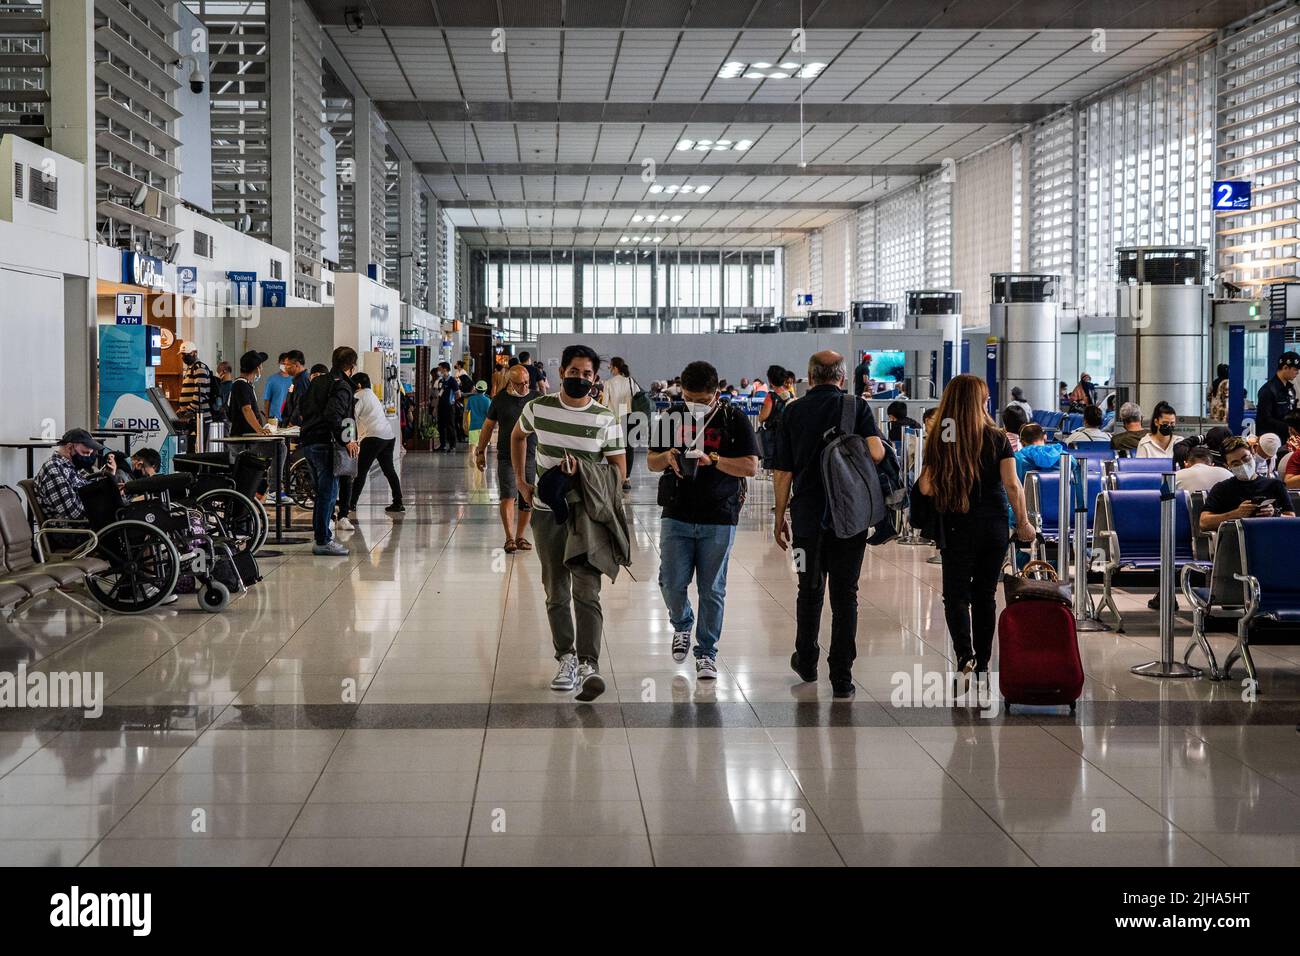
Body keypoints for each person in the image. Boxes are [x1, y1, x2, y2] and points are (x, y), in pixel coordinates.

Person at [513, 344, 626, 702]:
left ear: (596, 378)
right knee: (556, 588)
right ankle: (565, 657)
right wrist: (521, 481)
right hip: (547, 512)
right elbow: (517, 436)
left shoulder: (604, 418)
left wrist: (585, 472)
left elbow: (619, 472)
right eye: (574, 372)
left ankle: (589, 664)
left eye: (587, 374)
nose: (581, 378)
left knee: (587, 589)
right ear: (561, 372)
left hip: (587, 515)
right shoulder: (538, 408)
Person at [772, 350, 886, 699]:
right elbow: (877, 453)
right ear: (841, 375)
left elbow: (783, 471)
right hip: (848, 519)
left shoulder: (792, 412)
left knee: (808, 588)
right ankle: (842, 676)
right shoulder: (856, 407)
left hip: (806, 520)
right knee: (845, 594)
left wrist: (780, 517)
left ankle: (806, 659)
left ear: (810, 375)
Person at [918, 374, 1034, 685]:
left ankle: (964, 657)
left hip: (957, 523)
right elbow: (1012, 484)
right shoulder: (997, 437)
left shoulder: (942, 437)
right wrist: (1022, 522)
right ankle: (983, 663)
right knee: (985, 595)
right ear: (981, 402)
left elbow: (926, 488)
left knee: (955, 596)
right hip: (993, 524)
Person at [648, 361, 758, 680]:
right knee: (671, 581)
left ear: (716, 392)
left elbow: (751, 466)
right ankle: (682, 623)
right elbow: (652, 461)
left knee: (712, 588)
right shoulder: (671, 416)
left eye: (700, 398)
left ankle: (706, 652)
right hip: (677, 511)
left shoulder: (733, 418)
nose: (692, 402)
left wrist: (717, 460)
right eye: (688, 396)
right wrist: (667, 457)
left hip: (719, 515)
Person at [299, 346, 360, 556]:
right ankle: (323, 540)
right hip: (325, 445)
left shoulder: (317, 382)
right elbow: (334, 414)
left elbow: (303, 408)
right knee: (328, 493)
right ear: (351, 367)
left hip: (308, 442)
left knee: (321, 494)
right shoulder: (342, 386)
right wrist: (347, 441)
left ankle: (321, 535)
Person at [477, 363, 538, 553]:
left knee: (527, 496)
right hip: (506, 455)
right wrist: (481, 451)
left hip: (530, 455)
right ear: (510, 382)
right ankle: (509, 537)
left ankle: (521, 536)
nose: (524, 387)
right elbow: (488, 427)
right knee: (508, 495)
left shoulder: (536, 399)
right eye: (520, 384)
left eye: (527, 382)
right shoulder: (500, 399)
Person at [1199, 436, 1294, 533]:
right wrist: (1235, 514)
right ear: (1227, 466)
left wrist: (1274, 514)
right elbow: (1204, 523)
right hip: (1235, 540)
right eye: (1235, 464)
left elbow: (1292, 520)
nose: (1243, 465)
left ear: (1253, 454)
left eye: (1246, 459)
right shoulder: (1222, 489)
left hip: (1270, 537)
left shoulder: (1275, 485)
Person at [346, 372, 404, 516]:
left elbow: (350, 418)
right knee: (389, 470)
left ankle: (351, 503)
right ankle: (398, 502)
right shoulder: (371, 394)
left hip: (373, 437)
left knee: (361, 471)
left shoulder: (358, 396)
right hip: (388, 436)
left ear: (358, 385)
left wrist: (348, 439)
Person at [34, 428, 118, 521]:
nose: (88, 457)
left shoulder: (72, 467)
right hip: (74, 530)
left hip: (89, 524)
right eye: (85, 453)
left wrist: (110, 478)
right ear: (70, 447)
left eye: (90, 453)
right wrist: (108, 507)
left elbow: (90, 487)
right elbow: (74, 513)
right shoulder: (54, 469)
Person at [602, 357, 637, 491]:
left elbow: (605, 403)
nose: (610, 369)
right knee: (629, 448)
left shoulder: (609, 383)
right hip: (629, 417)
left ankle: (617, 478)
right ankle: (627, 479)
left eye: (610, 367)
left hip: (614, 419)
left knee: (614, 449)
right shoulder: (630, 381)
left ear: (615, 367)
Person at [1256, 351, 1299, 446]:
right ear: (1285, 368)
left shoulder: (1291, 389)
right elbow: (1265, 419)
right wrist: (1288, 427)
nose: (1297, 372)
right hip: (1271, 441)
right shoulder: (1268, 390)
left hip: (1287, 439)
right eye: (1295, 369)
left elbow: (1291, 411)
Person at [177, 342, 216, 441]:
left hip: (200, 417)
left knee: (199, 448)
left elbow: (199, 393)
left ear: (194, 353)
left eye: (186, 354)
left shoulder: (199, 368)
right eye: (182, 354)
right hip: (192, 417)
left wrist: (188, 410)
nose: (183, 357)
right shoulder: (190, 369)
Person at [279, 351, 312, 426]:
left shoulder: (302, 380)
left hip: (295, 425)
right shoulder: (296, 379)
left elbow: (300, 404)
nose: (285, 368)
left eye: (287, 365)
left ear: (297, 365)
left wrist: (292, 421)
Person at [435, 362, 459, 452]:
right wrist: (436, 407)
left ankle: (452, 445)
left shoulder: (452, 380)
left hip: (449, 407)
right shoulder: (441, 381)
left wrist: (452, 400)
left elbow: (458, 394)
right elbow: (439, 394)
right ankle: (443, 445)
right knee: (441, 425)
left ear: (445, 369)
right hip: (441, 406)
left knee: (450, 426)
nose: (439, 370)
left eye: (440, 368)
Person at [262, 353, 294, 420]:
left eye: (287, 364)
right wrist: (267, 418)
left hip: (290, 419)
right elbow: (267, 400)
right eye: (283, 363)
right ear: (279, 363)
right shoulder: (272, 380)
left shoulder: (294, 380)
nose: (285, 366)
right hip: (274, 418)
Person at [465, 380, 491, 450]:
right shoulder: (488, 400)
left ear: (476, 389)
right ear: (485, 390)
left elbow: (466, 412)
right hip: (484, 428)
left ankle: (472, 461)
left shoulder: (470, 399)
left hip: (473, 427)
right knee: (483, 450)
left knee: (472, 450)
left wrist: (465, 423)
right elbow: (490, 415)